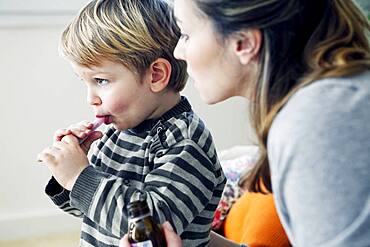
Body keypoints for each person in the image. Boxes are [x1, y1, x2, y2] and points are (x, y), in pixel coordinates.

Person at [121, 0, 370, 246]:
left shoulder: (319, 122)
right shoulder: (321, 105)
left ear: (244, 43)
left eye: (185, 34)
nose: (177, 52)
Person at [37, 0, 226, 246]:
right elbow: (96, 214)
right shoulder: (117, 133)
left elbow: (150, 230)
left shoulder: (185, 142)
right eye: (85, 82)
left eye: (101, 81)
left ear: (156, 75)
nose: (90, 99)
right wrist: (66, 175)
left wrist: (80, 176)